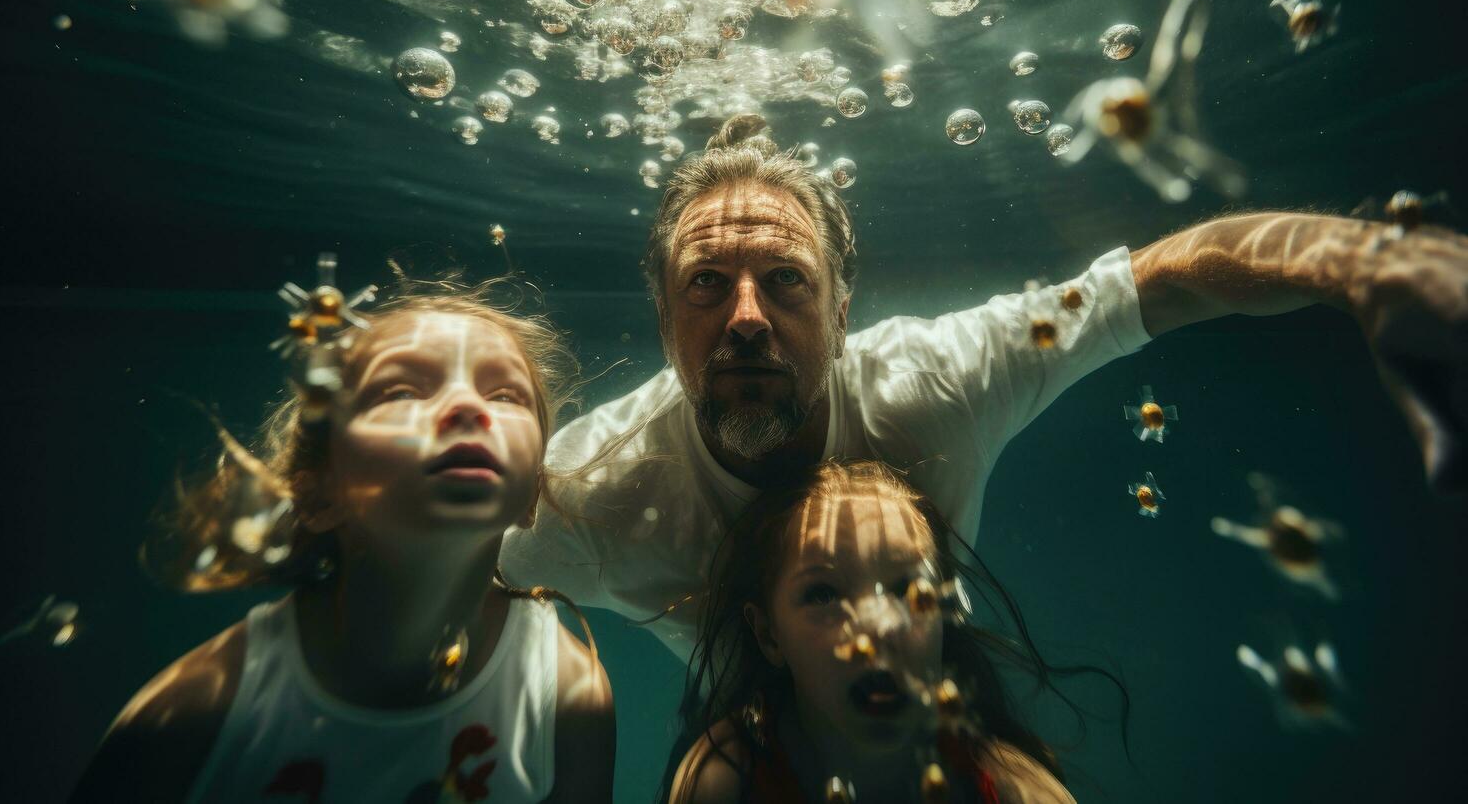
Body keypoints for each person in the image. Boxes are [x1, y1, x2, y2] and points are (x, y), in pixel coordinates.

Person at [501, 114, 1468, 658]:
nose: (746, 316)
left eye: (786, 280)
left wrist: (1365, 262)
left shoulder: (935, 379)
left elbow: (1152, 282)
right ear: (665, 320)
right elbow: (412, 563)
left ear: (841, 315)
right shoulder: (591, 490)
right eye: (707, 285)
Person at [70, 284, 614, 804]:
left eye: (505, 394)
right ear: (318, 494)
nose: (468, 407)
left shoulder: (569, 693)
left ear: (532, 495)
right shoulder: (193, 712)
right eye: (399, 390)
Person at [668, 459, 1089, 804]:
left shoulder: (1018, 790)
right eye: (823, 594)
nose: (878, 626)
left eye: (910, 592)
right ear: (768, 636)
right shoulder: (724, 779)